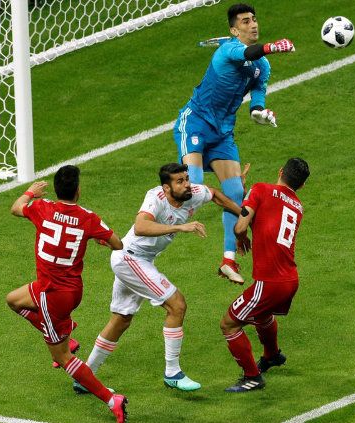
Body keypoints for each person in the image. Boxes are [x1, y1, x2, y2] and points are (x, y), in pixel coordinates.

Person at [76, 163, 242, 393]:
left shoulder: (192, 193)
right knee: (177, 305)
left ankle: (85, 376)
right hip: (130, 258)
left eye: (186, 179)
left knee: (121, 319)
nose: (187, 185)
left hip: (138, 259)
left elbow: (215, 194)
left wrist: (243, 214)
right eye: (180, 181)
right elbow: (141, 226)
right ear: (166, 187)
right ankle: (172, 373)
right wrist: (181, 227)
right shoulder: (155, 198)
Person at [173, 3, 295, 284]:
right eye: (245, 21)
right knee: (191, 188)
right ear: (233, 29)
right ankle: (158, 217)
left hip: (223, 134)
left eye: (254, 19)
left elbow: (257, 98)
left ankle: (228, 260)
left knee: (236, 192)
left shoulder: (262, 66)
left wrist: (261, 113)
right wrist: (272, 47)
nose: (252, 25)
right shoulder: (228, 50)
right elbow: (249, 52)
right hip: (196, 123)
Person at [5, 165, 128, 422]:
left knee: (61, 357)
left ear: (56, 189)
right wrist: (99, 238)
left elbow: (16, 207)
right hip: (67, 289)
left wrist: (31, 192)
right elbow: (118, 243)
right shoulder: (88, 218)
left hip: (53, 295)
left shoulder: (41, 207)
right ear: (78, 190)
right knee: (14, 300)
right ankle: (66, 333)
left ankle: (110, 399)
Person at [220, 158, 310, 392]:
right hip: (289, 279)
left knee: (229, 324)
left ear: (280, 171)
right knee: (262, 315)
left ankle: (252, 377)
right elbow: (270, 220)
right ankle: (272, 356)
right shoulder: (298, 207)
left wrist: (241, 237)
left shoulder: (261, 189)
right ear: (301, 186)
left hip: (270, 282)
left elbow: (240, 227)